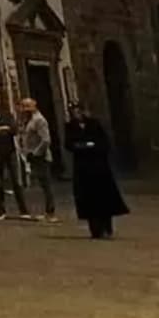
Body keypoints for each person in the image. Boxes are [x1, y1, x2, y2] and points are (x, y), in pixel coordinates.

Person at [62, 103, 127, 240]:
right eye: (74, 112)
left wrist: (93, 147)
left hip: (99, 167)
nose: (77, 115)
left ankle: (106, 225)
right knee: (88, 199)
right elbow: (69, 144)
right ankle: (95, 229)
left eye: (79, 112)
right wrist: (82, 146)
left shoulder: (94, 124)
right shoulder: (70, 127)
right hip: (83, 169)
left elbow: (104, 142)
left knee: (103, 197)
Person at [10, 97, 56, 221]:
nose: (25, 109)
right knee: (41, 184)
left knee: (46, 184)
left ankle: (50, 212)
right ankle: (47, 210)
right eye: (23, 106)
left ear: (34, 106)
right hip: (31, 156)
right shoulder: (26, 120)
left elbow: (46, 140)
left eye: (28, 106)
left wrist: (36, 153)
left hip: (41, 157)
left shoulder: (39, 120)